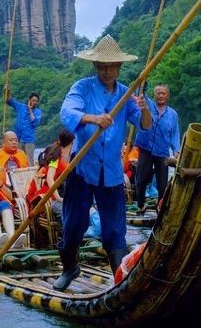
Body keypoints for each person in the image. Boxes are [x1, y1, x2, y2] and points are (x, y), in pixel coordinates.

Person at [53, 35, 151, 290]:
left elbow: (145, 125)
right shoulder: (82, 88)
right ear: (96, 67)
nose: (108, 71)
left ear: (119, 67)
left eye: (112, 66)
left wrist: (144, 108)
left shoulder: (127, 93)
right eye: (103, 66)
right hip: (83, 167)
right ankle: (70, 268)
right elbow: (67, 112)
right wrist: (93, 118)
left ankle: (119, 277)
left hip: (111, 171)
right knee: (74, 222)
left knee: (114, 227)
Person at [132, 84, 181, 215]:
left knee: (162, 183)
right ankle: (141, 205)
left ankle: (160, 206)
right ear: (155, 95)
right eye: (158, 93)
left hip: (162, 151)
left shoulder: (172, 114)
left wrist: (176, 150)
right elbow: (140, 93)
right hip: (146, 148)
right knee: (141, 180)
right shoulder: (147, 104)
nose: (160, 95)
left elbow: (175, 134)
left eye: (163, 93)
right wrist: (143, 82)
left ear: (168, 96)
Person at [4, 86, 43, 161]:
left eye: (36, 101)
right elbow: (9, 101)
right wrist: (7, 92)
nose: (35, 102)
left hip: (29, 139)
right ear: (29, 100)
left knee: (29, 159)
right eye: (33, 100)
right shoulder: (21, 107)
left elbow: (35, 123)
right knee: (18, 158)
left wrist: (30, 110)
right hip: (18, 138)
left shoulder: (38, 112)